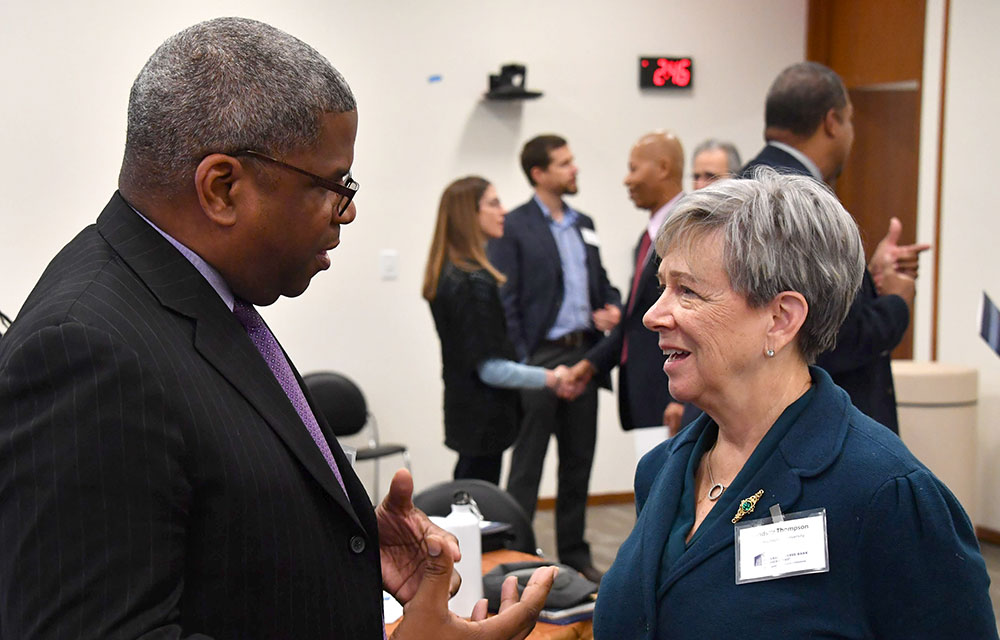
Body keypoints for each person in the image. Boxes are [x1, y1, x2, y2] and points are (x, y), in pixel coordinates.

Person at [0, 17, 555, 640]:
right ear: (222, 187)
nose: (348, 212)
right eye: (332, 186)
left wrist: (339, 545)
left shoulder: (188, 293)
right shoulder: (84, 349)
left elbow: (196, 508)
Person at [592, 170, 997, 638]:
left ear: (781, 319)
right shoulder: (663, 469)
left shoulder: (888, 496)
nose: (652, 314)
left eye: (687, 291)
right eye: (662, 287)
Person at [742, 61, 930, 433]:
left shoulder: (746, 185)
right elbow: (838, 338)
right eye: (849, 120)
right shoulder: (800, 199)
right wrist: (896, 299)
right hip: (818, 430)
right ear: (831, 122)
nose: (850, 134)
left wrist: (869, 278)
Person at [488, 134, 621, 584]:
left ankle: (576, 555)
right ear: (538, 173)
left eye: (572, 160)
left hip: (586, 354)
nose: (574, 169)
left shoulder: (585, 222)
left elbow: (603, 283)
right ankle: (516, 555)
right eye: (564, 163)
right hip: (541, 357)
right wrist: (527, 361)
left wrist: (614, 308)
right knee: (528, 464)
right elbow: (506, 297)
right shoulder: (516, 224)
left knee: (578, 461)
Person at [422, 176, 577, 484]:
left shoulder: (453, 274)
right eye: (493, 204)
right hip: (481, 417)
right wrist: (552, 377)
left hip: (468, 412)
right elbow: (491, 369)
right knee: (475, 503)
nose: (503, 211)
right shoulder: (471, 282)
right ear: (469, 213)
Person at [565, 131, 686, 434]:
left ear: (662, 168)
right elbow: (637, 319)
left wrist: (689, 402)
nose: (626, 180)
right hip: (646, 396)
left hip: (674, 397)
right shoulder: (647, 239)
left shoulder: (690, 231)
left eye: (633, 169)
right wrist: (591, 365)